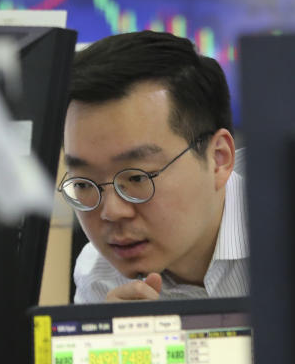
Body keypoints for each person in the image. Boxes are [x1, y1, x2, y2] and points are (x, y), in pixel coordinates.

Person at [59, 31, 248, 302]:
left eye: (136, 178)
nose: (111, 212)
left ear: (218, 159)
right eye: (82, 184)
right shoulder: (100, 279)